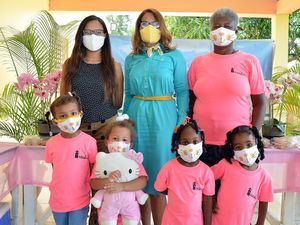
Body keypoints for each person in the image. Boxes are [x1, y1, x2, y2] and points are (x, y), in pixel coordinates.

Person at [124, 8, 189, 225]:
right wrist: (125, 121)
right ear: (137, 29)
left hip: (164, 117)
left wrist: (180, 121)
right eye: (143, 24)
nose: (149, 28)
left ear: (162, 27)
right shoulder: (132, 58)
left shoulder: (174, 56)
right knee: (137, 172)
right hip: (136, 116)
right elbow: (128, 93)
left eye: (154, 23)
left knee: (159, 174)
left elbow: (181, 90)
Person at [188, 8, 266, 167]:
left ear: (236, 30)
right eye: (216, 26)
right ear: (210, 31)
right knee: (205, 190)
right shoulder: (198, 63)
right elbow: (191, 99)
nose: (221, 30)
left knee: (234, 190)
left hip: (237, 144)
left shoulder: (249, 61)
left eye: (227, 26)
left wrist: (254, 134)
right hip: (200, 143)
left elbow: (260, 102)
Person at [60, 15, 123, 153]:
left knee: (105, 172)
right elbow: (63, 101)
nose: (92, 36)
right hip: (77, 128)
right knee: (78, 172)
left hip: (107, 129)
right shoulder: (70, 64)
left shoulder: (115, 66)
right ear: (81, 36)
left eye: (97, 32)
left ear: (105, 36)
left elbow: (118, 102)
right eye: (87, 32)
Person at [45, 93, 98, 225]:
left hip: (80, 200)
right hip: (58, 200)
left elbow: (93, 169)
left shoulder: (89, 142)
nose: (69, 119)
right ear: (55, 121)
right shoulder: (51, 144)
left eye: (73, 113)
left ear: (80, 114)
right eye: (63, 116)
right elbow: (55, 168)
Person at [154, 118, 214, 225]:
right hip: (171, 221)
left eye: (195, 142)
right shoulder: (168, 168)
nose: (191, 147)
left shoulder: (206, 172)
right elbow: (160, 189)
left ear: (202, 142)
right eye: (185, 142)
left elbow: (207, 200)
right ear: (177, 145)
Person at [90, 115, 148, 224]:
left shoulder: (133, 160)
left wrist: (122, 186)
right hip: (108, 214)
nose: (119, 143)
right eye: (115, 139)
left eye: (124, 140)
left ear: (130, 145)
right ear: (107, 141)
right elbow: (93, 183)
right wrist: (108, 180)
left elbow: (142, 181)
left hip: (130, 214)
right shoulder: (103, 161)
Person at [211, 125, 273, 225]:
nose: (245, 151)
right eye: (238, 147)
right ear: (232, 148)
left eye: (249, 145)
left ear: (256, 142)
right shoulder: (225, 165)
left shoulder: (264, 176)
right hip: (218, 221)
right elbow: (207, 177)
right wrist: (211, 198)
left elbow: (264, 201)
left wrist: (259, 223)